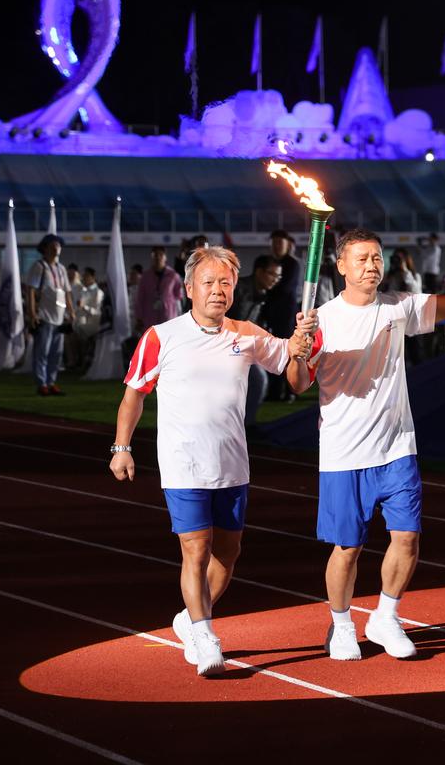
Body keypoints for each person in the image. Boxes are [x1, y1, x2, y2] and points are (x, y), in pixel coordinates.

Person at [293, 228, 445, 662]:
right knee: (347, 548)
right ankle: (341, 625)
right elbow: (297, 383)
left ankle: (385, 616)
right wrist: (297, 350)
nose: (372, 266)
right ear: (341, 266)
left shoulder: (397, 307)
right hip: (344, 453)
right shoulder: (321, 319)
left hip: (396, 448)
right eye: (362, 258)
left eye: (376, 257)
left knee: (407, 537)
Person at [109, 246, 310, 677]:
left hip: (232, 465)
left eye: (225, 283)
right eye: (209, 282)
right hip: (184, 464)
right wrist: (121, 447)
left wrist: (299, 349)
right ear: (189, 288)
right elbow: (133, 395)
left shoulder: (246, 334)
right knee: (195, 550)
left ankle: (189, 618)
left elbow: (296, 380)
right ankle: (203, 634)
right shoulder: (161, 336)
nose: (218, 290)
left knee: (228, 554)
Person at [227, 254, 282, 431]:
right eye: (272, 274)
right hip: (225, 347)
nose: (276, 279)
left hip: (241, 347)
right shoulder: (237, 289)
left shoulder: (262, 294)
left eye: (279, 276)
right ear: (259, 272)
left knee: (257, 381)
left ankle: (245, 424)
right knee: (256, 381)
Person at [24, 233, 75, 396]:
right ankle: (42, 383)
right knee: (42, 352)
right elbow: (31, 291)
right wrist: (32, 313)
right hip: (45, 316)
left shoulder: (61, 269)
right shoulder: (39, 266)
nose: (56, 248)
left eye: (58, 245)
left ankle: (51, 382)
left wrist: (71, 311)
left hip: (60, 318)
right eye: (53, 245)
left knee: (56, 354)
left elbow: (66, 292)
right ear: (45, 248)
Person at [265, 229, 301, 400]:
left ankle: (289, 392)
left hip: (286, 315)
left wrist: (266, 289)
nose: (277, 246)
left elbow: (285, 288)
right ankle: (274, 391)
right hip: (271, 314)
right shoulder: (269, 261)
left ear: (288, 245)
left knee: (287, 354)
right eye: (274, 243)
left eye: (280, 243)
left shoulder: (292, 264)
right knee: (272, 354)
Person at [134, 247, 184, 333]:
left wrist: (179, 318)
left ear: (165, 257)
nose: (158, 257)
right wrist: (139, 318)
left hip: (169, 318)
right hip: (149, 318)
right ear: (151, 258)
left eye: (160, 255)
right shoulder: (145, 276)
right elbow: (140, 298)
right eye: (155, 255)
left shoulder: (173, 275)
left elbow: (178, 297)